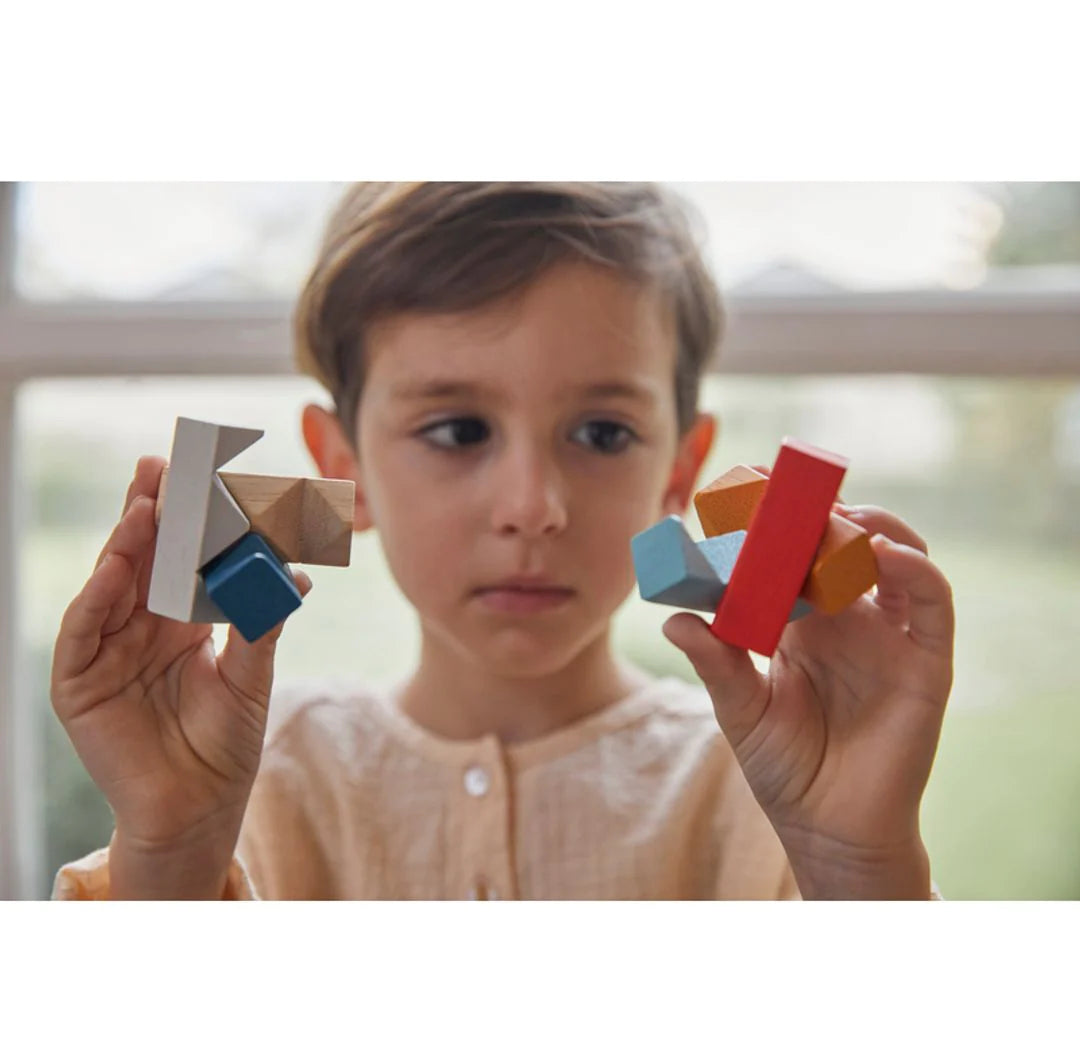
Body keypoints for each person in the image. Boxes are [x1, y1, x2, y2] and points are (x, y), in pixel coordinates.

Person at [50, 183, 954, 900]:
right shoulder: (251, 781)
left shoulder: (766, 787)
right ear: (342, 469)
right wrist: (168, 850)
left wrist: (859, 866)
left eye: (601, 434)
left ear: (683, 472)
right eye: (457, 431)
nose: (533, 507)